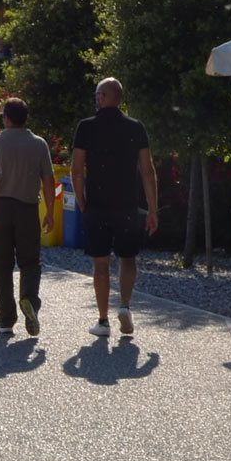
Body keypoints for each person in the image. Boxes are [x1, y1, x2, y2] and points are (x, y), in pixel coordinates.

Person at [70, 77, 157, 338]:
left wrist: (82, 202)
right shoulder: (135, 127)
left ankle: (103, 320)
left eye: (98, 95)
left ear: (102, 97)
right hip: (128, 206)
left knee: (101, 263)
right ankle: (125, 305)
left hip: (97, 205)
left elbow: (76, 171)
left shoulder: (86, 127)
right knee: (128, 258)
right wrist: (153, 209)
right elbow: (147, 170)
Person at [0, 97, 52, 337]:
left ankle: (6, 319)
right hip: (27, 208)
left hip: (0, 208)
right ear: (27, 118)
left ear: (6, 117)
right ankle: (30, 302)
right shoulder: (39, 144)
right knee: (30, 262)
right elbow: (48, 181)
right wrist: (50, 215)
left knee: (2, 266)